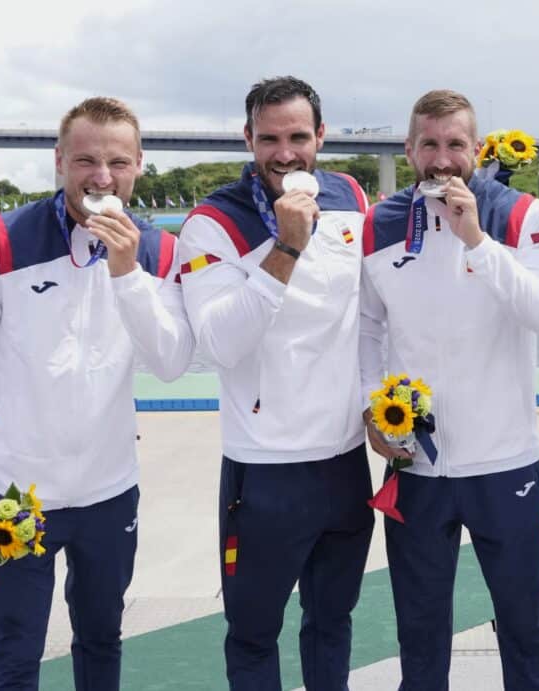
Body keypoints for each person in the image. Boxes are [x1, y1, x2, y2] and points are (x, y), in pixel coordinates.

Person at [0, 96, 195, 690]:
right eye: (86, 161)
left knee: (101, 642)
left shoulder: (158, 249)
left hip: (109, 490)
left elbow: (170, 362)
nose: (102, 177)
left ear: (139, 165)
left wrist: (126, 271)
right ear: (59, 162)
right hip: (17, 496)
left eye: (118, 162)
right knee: (14, 653)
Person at [360, 89, 539, 690]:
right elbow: (367, 327)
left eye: (456, 145)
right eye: (430, 144)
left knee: (524, 628)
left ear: (477, 150)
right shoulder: (381, 222)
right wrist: (372, 407)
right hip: (417, 470)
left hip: (507, 465)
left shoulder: (520, 214)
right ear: (409, 149)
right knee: (420, 636)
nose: (443, 159)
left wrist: (477, 239)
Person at [178, 76, 373, 690]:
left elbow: (368, 317)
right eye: (269, 139)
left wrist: (377, 403)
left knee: (332, 622)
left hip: (343, 460)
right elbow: (218, 343)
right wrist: (285, 250)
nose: (284, 154)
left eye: (297, 137)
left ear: (321, 136)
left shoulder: (350, 197)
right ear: (247, 139)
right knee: (254, 634)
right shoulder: (212, 222)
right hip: (264, 471)